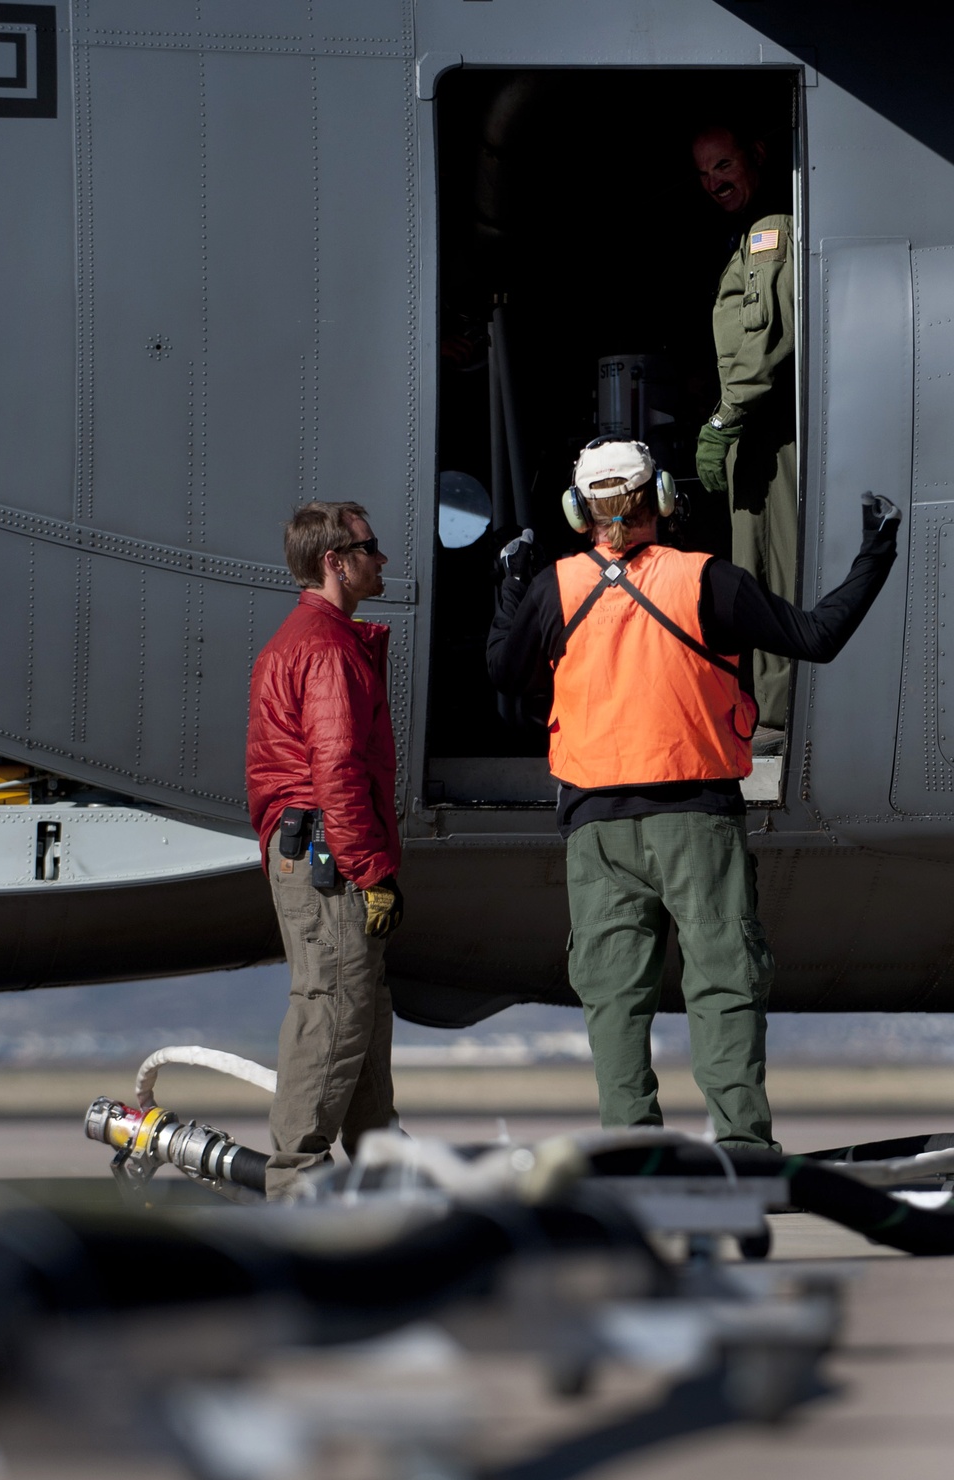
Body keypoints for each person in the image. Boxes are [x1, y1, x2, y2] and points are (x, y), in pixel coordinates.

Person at [487, 438, 899, 1149]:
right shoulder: (708, 579)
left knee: (614, 996)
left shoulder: (557, 587)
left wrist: (510, 585)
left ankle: (630, 1146)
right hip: (695, 818)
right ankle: (742, 1142)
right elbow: (818, 635)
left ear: (578, 512)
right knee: (724, 980)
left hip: (596, 828)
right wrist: (876, 553)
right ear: (665, 499)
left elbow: (504, 669)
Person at [246, 502, 403, 1201]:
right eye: (371, 547)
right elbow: (337, 766)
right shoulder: (329, 648)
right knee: (333, 1009)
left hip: (317, 851)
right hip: (331, 859)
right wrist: (371, 871)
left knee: (360, 1009)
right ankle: (298, 1188)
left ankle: (381, 1177)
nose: (383, 559)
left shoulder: (309, 638)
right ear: (335, 562)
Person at [692, 124, 796, 743]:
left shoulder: (768, 232)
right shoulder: (747, 237)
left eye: (723, 165)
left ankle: (779, 716)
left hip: (763, 429)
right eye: (704, 175)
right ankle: (766, 706)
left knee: (772, 572)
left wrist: (722, 421)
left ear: (756, 156)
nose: (715, 183)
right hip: (752, 430)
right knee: (752, 569)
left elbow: (761, 341)